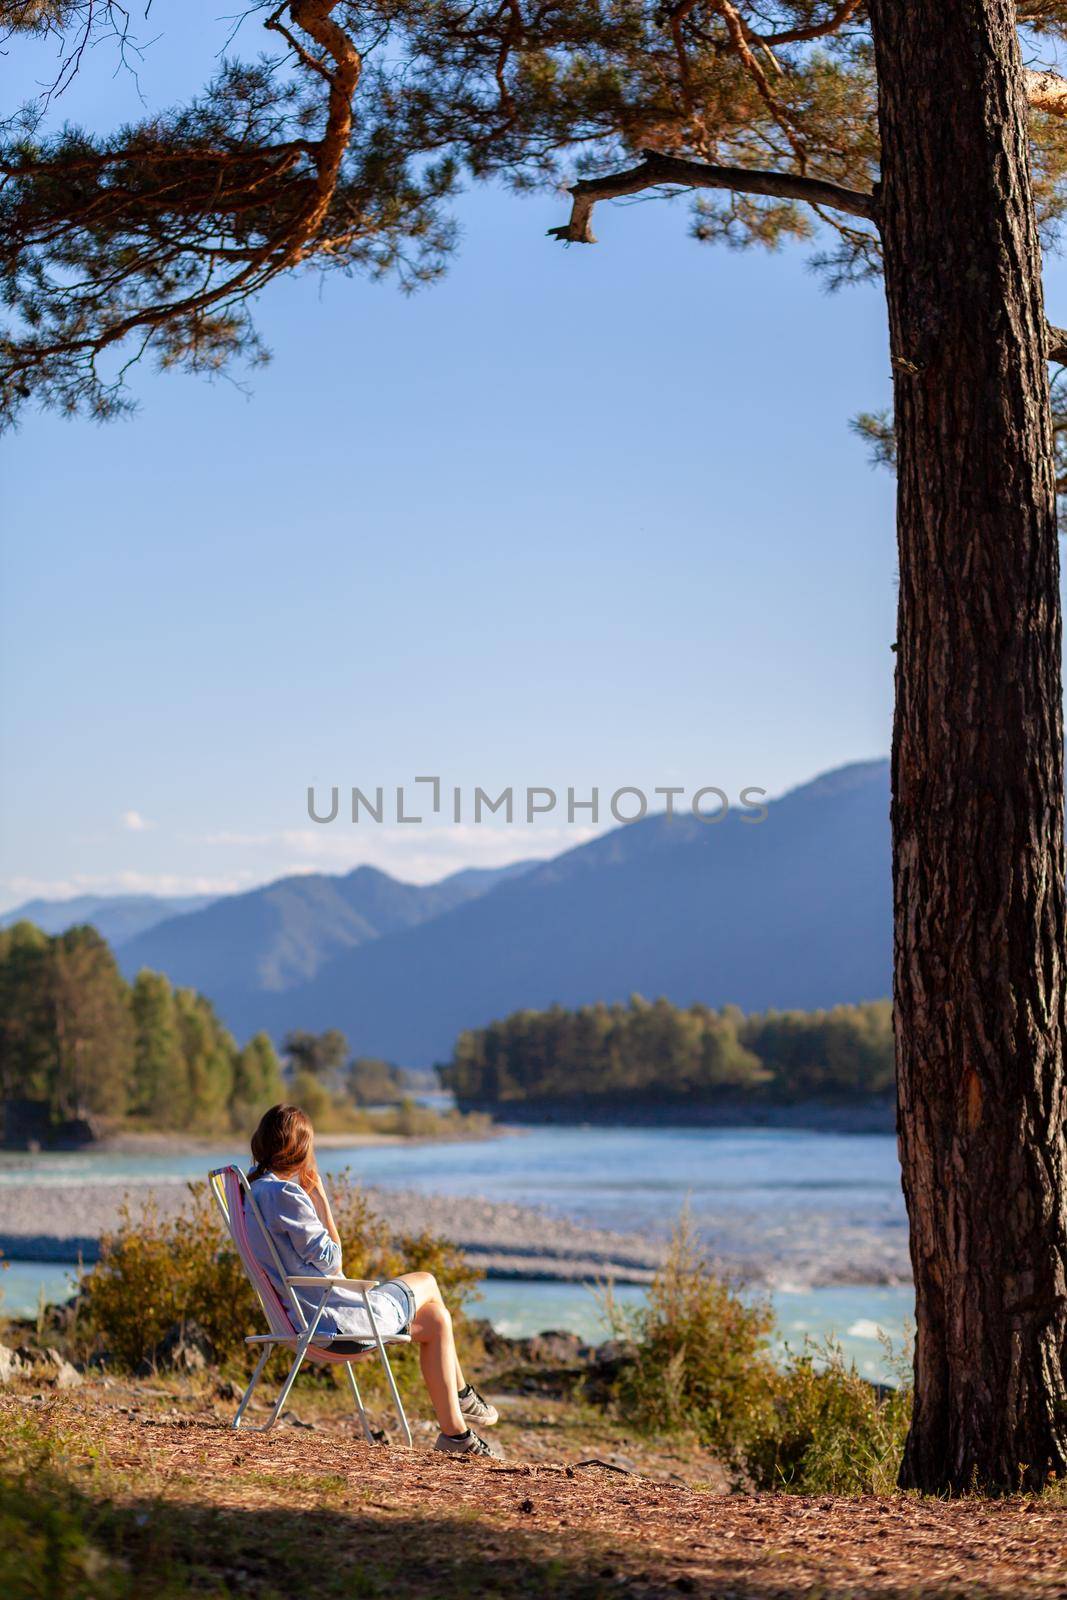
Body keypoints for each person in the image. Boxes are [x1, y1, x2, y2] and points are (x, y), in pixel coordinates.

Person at [245, 1102, 500, 1457]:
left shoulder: (252, 1192)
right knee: (426, 1279)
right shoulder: (284, 1195)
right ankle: (461, 1396)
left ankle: (455, 1435)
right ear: (300, 1149)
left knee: (437, 1320)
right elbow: (332, 1262)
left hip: (303, 1313)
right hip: (330, 1323)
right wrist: (321, 1200)